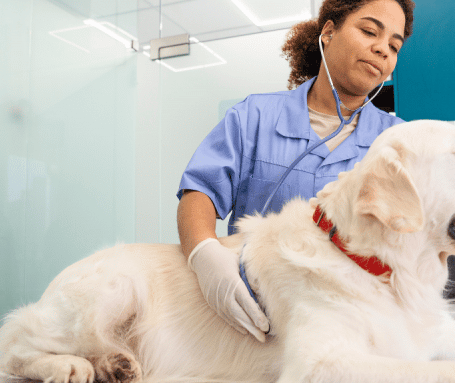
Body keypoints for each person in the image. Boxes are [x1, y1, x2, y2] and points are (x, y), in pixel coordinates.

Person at [176, 0, 415, 342]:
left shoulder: (397, 141)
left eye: (394, 46)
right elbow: (199, 192)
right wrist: (205, 256)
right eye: (369, 31)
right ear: (329, 32)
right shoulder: (254, 117)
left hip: (353, 328)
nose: (382, 50)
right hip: (252, 319)